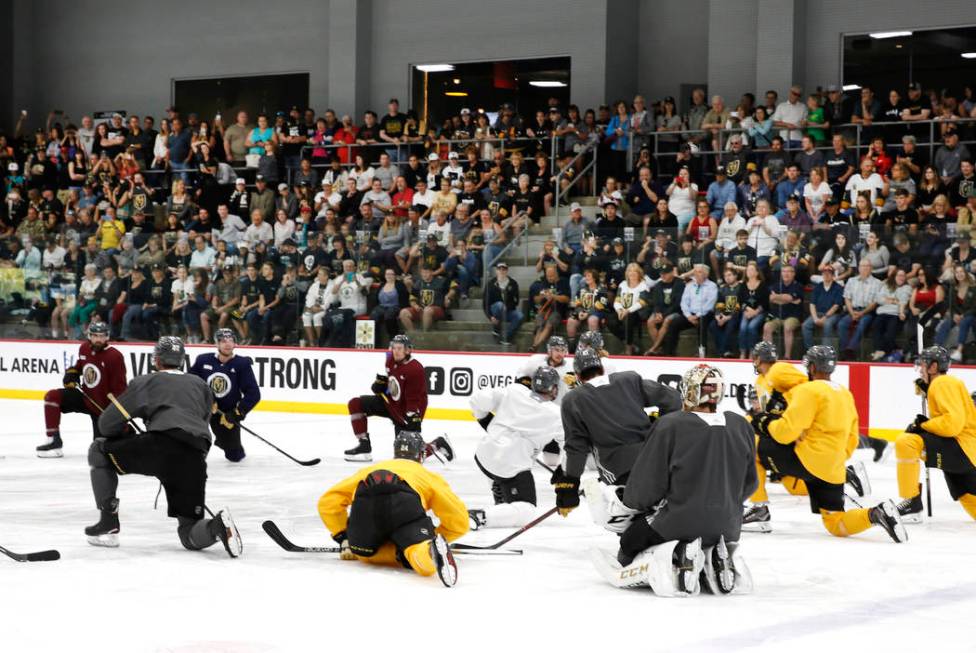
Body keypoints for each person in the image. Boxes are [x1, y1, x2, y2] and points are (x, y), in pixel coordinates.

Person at [590, 364, 756, 597]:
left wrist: (630, 502)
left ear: (689, 390)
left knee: (630, 540)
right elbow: (751, 484)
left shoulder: (671, 424)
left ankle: (680, 553)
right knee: (694, 526)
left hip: (678, 521)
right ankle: (713, 555)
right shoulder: (741, 425)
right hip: (728, 526)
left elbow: (646, 487)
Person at [85, 336, 243, 557]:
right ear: (182, 360)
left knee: (98, 451)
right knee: (188, 533)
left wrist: (124, 434)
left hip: (159, 446)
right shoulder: (200, 385)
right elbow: (203, 423)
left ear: (156, 360)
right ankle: (215, 527)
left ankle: (108, 522)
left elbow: (106, 424)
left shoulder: (145, 382)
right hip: (194, 456)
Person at [747, 345, 906, 543]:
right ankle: (875, 514)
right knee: (836, 524)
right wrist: (837, 459)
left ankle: (759, 510)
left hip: (807, 460)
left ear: (812, 368)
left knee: (750, 446)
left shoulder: (808, 390)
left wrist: (766, 422)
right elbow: (853, 437)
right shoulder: (844, 393)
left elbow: (784, 434)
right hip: (833, 467)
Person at [317, 430, 466, 587]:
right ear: (421, 454)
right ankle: (429, 551)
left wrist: (343, 536)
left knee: (363, 553)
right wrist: (435, 536)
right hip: (404, 508)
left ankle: (366, 549)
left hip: (367, 508)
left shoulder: (368, 470)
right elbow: (459, 521)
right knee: (417, 551)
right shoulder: (427, 475)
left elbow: (328, 502)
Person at [552, 348, 681, 518]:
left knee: (606, 511)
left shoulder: (572, 400)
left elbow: (577, 448)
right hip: (657, 458)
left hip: (618, 470)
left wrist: (571, 483)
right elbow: (674, 399)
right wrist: (656, 428)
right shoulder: (629, 379)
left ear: (577, 375)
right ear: (602, 368)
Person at [468, 367, 563, 530]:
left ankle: (499, 489)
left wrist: (487, 423)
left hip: (484, 455)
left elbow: (477, 400)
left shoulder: (515, 390)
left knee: (502, 467)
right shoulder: (556, 414)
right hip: (510, 466)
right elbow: (570, 445)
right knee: (527, 509)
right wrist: (566, 473)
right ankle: (480, 516)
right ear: (554, 389)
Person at [895, 346, 976, 523]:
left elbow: (952, 424)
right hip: (968, 450)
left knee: (906, 443)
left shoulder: (942, 383)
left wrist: (923, 425)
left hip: (960, 447)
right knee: (969, 498)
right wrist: (927, 388)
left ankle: (911, 504)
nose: (921, 368)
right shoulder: (945, 383)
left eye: (924, 365)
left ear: (933, 367)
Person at [344, 334, 451, 463]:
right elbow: (392, 385)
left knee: (406, 458)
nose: (396, 351)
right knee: (355, 404)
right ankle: (364, 445)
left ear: (408, 350)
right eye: (394, 348)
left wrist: (413, 417)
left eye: (400, 348)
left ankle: (437, 444)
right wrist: (381, 386)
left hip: (407, 411)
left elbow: (414, 398)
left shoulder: (415, 369)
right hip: (391, 403)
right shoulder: (390, 360)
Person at [37, 321, 127, 457]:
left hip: (103, 409)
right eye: (95, 335)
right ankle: (53, 441)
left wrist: (115, 416)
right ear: (89, 336)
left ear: (107, 337)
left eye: (102, 336)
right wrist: (71, 373)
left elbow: (120, 389)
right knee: (52, 396)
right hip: (87, 399)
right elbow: (80, 366)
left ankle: (125, 435)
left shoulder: (115, 356)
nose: (98, 339)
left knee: (100, 451)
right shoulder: (84, 348)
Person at [188, 328, 261, 462]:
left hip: (225, 414)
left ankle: (225, 442)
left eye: (231, 340)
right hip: (203, 409)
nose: (227, 344)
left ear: (235, 343)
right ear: (217, 344)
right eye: (223, 341)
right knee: (194, 442)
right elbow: (191, 383)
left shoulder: (242, 364)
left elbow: (253, 394)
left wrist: (237, 413)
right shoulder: (203, 360)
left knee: (234, 455)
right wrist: (208, 400)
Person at [515, 335, 573, 405]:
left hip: (557, 410)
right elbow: (520, 378)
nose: (560, 354)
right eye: (557, 350)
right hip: (536, 407)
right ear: (549, 350)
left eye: (563, 350)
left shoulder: (570, 370)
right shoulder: (535, 361)